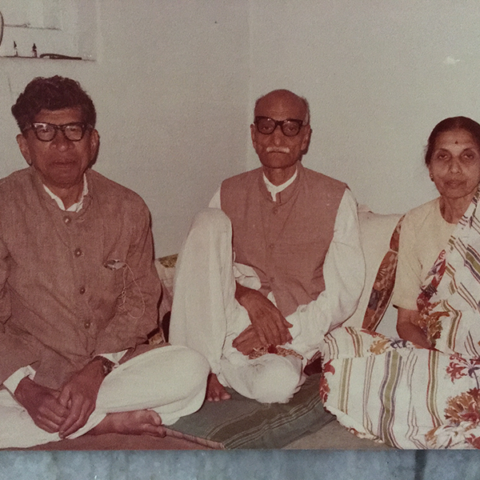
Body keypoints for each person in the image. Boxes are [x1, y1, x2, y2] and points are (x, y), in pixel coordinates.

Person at [0, 76, 209, 449]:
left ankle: (74, 418)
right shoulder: (4, 206)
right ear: (24, 146)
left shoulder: (128, 208)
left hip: (108, 370)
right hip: (26, 372)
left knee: (191, 369)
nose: (62, 145)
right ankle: (100, 424)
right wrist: (26, 391)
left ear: (93, 141)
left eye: (74, 131)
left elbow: (142, 303)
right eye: (45, 131)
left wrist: (94, 371)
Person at [170, 89, 365, 404]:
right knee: (207, 221)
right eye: (266, 125)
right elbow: (204, 269)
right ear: (253, 136)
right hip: (230, 314)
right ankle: (203, 363)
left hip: (293, 329)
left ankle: (214, 368)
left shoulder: (336, 196)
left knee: (277, 385)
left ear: (305, 137)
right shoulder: (227, 190)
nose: (277, 136)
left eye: (290, 127)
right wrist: (246, 296)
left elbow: (343, 295)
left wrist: (276, 332)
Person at [321, 116, 480, 449]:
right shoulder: (416, 222)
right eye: (443, 157)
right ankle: (445, 399)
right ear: (430, 169)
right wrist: (435, 361)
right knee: (341, 344)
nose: (454, 169)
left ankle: (442, 405)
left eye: (468, 156)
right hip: (438, 356)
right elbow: (406, 321)